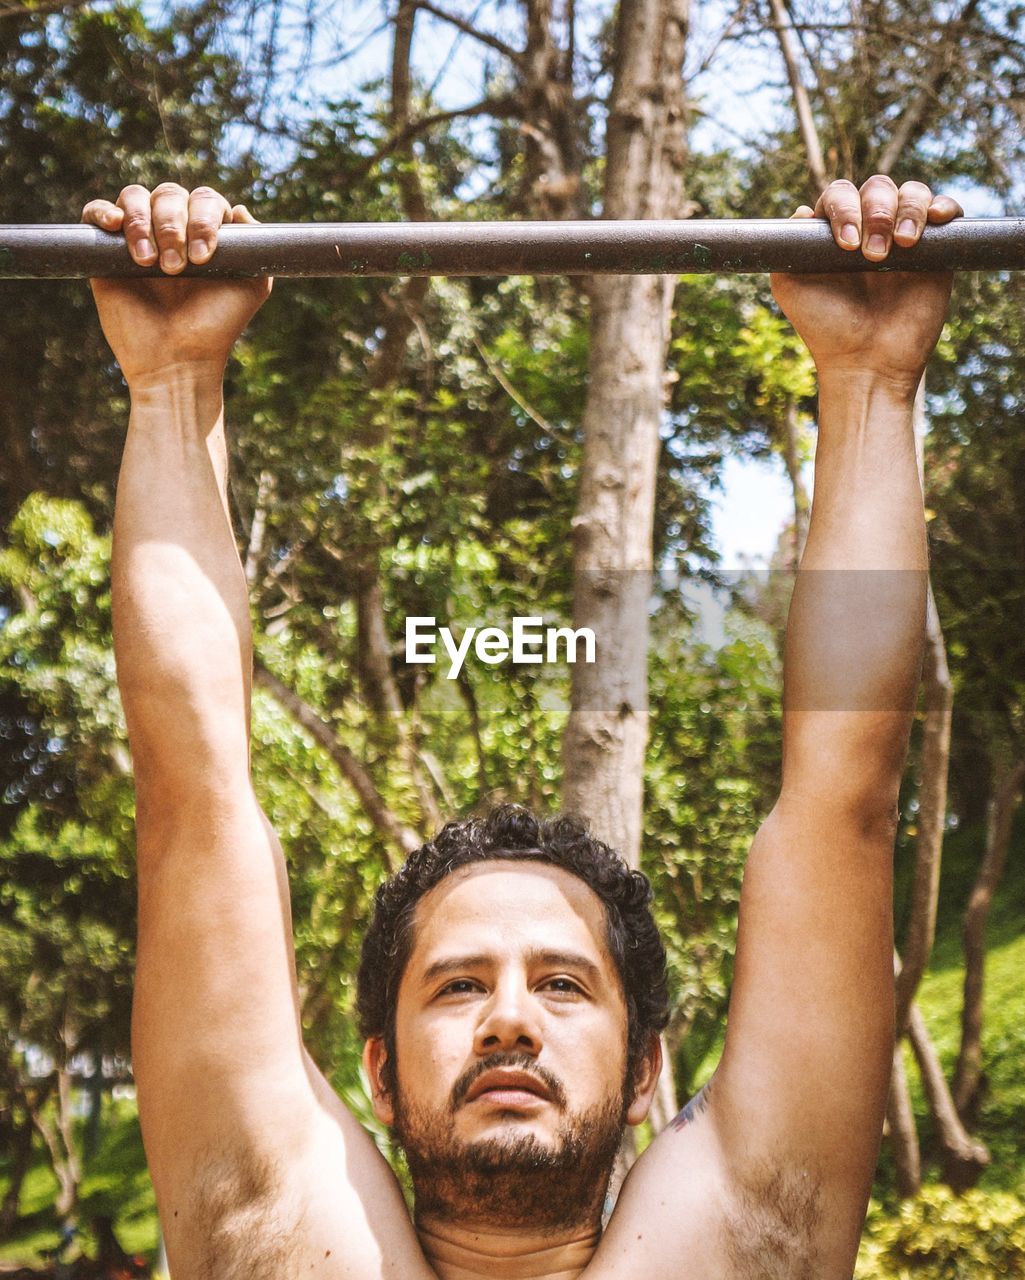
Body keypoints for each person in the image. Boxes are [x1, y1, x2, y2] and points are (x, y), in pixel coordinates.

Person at [81, 174, 962, 1279]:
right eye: (456, 984)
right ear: (379, 1074)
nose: (508, 1019)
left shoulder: (741, 1237)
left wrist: (871, 381)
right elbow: (189, 798)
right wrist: (169, 384)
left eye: (560, 982)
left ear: (645, 1067)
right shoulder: (280, 1235)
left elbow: (848, 798)